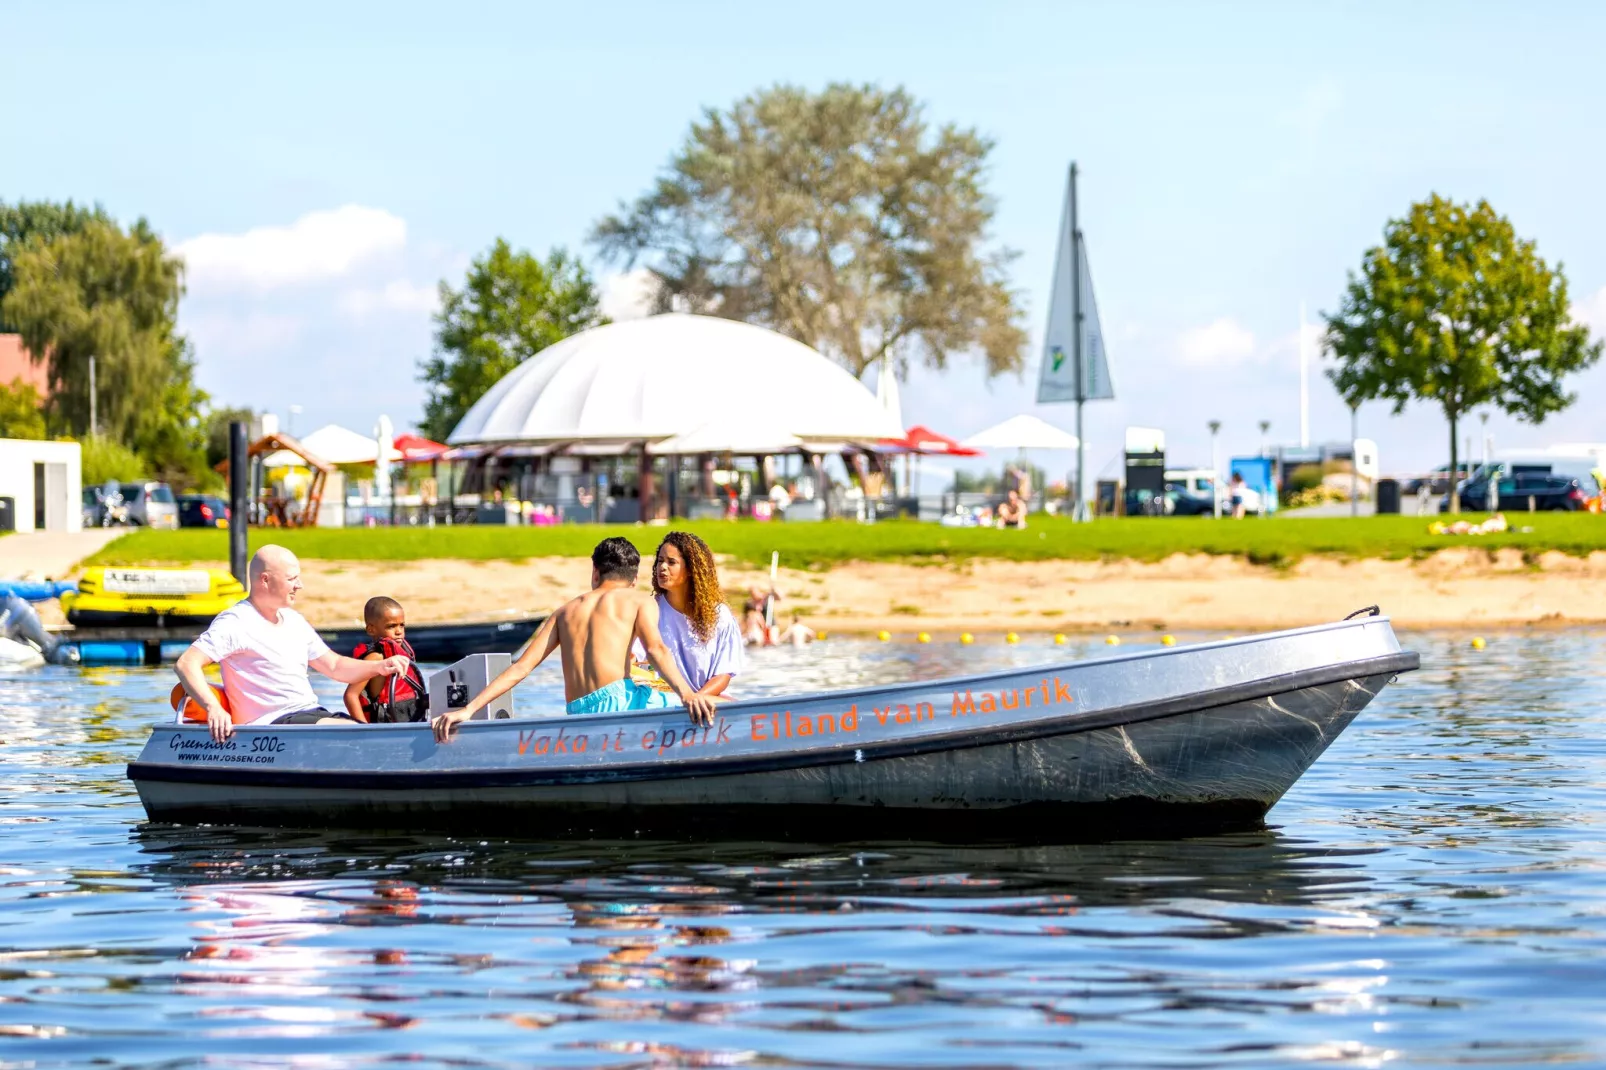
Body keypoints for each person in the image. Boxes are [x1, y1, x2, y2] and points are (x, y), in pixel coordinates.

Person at [432, 538, 717, 741]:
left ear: (595, 572)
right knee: (719, 699)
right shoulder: (638, 600)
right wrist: (687, 694)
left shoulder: (564, 612)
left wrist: (468, 710)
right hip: (619, 702)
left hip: (577, 710)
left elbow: (521, 668)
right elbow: (656, 649)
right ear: (633, 579)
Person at [174, 545, 412, 743]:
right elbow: (186, 664)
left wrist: (381, 667)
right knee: (361, 735)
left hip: (308, 715)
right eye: (292, 579)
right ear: (265, 580)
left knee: (372, 731)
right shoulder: (236, 622)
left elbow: (335, 666)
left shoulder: (294, 620)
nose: (300, 585)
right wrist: (213, 707)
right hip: (271, 726)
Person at [643, 531, 745, 701]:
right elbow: (634, 660)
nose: (662, 567)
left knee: (734, 704)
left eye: (671, 562)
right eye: (660, 561)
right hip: (659, 701)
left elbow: (723, 674)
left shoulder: (720, 615)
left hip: (704, 699)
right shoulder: (649, 610)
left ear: (691, 569)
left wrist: (693, 700)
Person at [343, 596, 429, 723]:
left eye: (402, 625)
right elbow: (350, 695)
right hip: (383, 726)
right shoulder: (375, 658)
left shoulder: (402, 653)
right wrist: (365, 731)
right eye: (391, 626)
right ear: (371, 629)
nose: (399, 631)